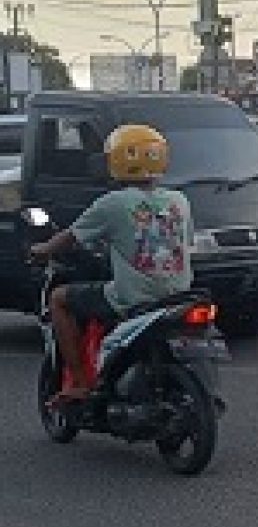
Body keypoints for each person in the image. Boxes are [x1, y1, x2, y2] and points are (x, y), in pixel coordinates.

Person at [29, 124, 194, 404]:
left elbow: (70, 237)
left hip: (133, 298)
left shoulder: (113, 203)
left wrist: (42, 250)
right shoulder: (179, 200)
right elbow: (183, 240)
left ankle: (80, 381)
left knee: (59, 299)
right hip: (178, 295)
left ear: (117, 160)